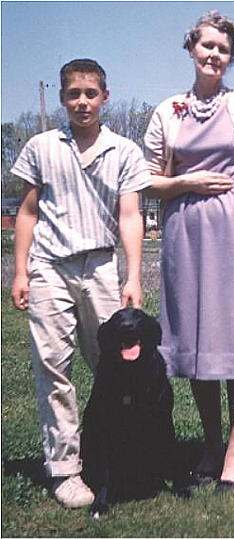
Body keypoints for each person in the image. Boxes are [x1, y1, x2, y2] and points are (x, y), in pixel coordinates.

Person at [10, 58, 152, 508]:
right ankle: (65, 469)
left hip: (102, 267)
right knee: (53, 368)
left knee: (117, 365)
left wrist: (132, 276)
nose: (83, 102)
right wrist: (20, 270)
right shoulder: (41, 146)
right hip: (49, 266)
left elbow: (130, 216)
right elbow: (27, 213)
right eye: (74, 94)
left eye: (91, 94)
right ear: (62, 98)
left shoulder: (124, 151)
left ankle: (124, 455)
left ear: (105, 97)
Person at [144, 11, 234, 491]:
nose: (214, 54)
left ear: (231, 56)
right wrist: (185, 182)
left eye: (223, 48)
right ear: (192, 50)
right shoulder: (168, 110)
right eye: (207, 46)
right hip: (183, 232)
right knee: (196, 342)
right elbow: (148, 180)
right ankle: (211, 443)